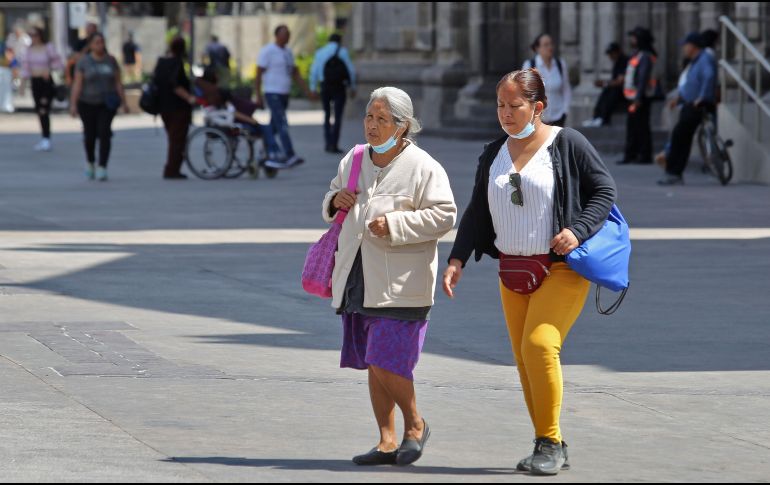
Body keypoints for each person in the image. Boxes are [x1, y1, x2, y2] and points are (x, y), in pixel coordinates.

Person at [443, 68, 616, 476]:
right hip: (513, 271)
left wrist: (577, 230)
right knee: (524, 359)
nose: (505, 113)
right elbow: (476, 210)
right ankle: (546, 441)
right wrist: (456, 259)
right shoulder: (493, 152)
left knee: (540, 346)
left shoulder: (567, 143)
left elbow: (604, 190)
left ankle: (551, 441)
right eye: (500, 105)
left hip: (561, 269)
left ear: (538, 107)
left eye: (514, 106)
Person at [322, 87, 457, 467]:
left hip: (403, 281)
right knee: (372, 358)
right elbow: (332, 195)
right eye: (369, 117)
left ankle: (415, 425)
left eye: (383, 120)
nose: (373, 126)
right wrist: (335, 201)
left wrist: (396, 225)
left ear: (403, 126)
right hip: (357, 274)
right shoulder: (355, 158)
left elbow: (444, 216)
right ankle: (386, 439)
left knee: (385, 357)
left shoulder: (423, 166)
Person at [194, 66, 283, 168]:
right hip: (233, 126)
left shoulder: (210, 93)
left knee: (263, 128)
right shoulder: (218, 94)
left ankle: (273, 153)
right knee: (264, 128)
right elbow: (232, 112)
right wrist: (251, 121)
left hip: (227, 122)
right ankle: (273, 153)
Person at [657, 32, 716, 186]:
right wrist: (680, 98)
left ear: (693, 46)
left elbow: (708, 77)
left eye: (686, 45)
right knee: (680, 134)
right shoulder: (695, 61)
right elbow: (692, 84)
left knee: (680, 135)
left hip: (698, 105)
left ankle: (674, 172)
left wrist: (701, 98)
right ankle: (673, 171)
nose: (683, 48)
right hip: (689, 103)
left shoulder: (704, 59)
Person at [255, 25, 315, 168]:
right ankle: (289, 154)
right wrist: (258, 95)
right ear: (277, 35)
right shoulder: (268, 51)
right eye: (284, 34)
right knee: (282, 123)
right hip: (272, 92)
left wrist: (307, 91)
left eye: (289, 34)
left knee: (274, 126)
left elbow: (295, 73)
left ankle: (264, 146)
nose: (287, 37)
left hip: (284, 93)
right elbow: (258, 74)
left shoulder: (288, 52)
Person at [69, 33, 127, 181]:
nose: (99, 45)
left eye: (101, 42)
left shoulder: (111, 60)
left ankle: (102, 166)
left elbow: (118, 82)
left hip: (106, 104)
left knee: (104, 133)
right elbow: (77, 84)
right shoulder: (84, 62)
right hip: (87, 103)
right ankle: (90, 162)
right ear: (91, 45)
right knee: (90, 135)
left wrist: (124, 101)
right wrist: (73, 104)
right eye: (96, 43)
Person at [154, 36, 196, 180]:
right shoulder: (176, 63)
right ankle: (171, 170)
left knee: (173, 139)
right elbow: (175, 85)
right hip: (178, 107)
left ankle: (173, 168)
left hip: (163, 107)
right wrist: (189, 98)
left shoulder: (161, 62)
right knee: (177, 141)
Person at [310, 33, 356, 154]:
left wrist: (313, 88)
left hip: (325, 85)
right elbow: (350, 70)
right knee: (338, 115)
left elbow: (314, 71)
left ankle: (328, 142)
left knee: (326, 114)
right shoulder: (343, 52)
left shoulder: (320, 52)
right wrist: (353, 87)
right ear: (340, 41)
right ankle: (334, 144)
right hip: (339, 86)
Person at [617, 26, 658, 166]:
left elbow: (642, 78)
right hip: (634, 98)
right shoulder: (639, 54)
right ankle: (633, 154)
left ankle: (642, 155)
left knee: (640, 127)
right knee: (634, 127)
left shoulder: (645, 56)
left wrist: (638, 98)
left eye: (634, 37)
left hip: (639, 99)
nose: (631, 40)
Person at [20, 27, 63, 152]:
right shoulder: (29, 50)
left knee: (44, 109)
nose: (34, 38)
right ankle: (44, 137)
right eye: (31, 35)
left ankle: (46, 138)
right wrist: (22, 85)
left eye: (35, 35)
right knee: (39, 109)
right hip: (35, 82)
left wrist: (49, 69)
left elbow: (58, 62)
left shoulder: (48, 47)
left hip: (46, 82)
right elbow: (25, 68)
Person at [522, 34, 571, 127]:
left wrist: (565, 110)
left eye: (551, 44)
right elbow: (525, 93)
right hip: (538, 118)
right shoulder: (529, 65)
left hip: (558, 117)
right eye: (546, 45)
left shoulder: (560, 65)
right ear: (537, 48)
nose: (550, 47)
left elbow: (566, 89)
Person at [582, 42, 629, 127]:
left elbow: (620, 81)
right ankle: (597, 117)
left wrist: (605, 83)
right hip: (618, 89)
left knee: (611, 92)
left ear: (617, 52)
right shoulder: (617, 62)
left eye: (611, 53)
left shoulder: (623, 61)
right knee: (606, 91)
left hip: (624, 92)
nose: (610, 56)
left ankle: (603, 118)